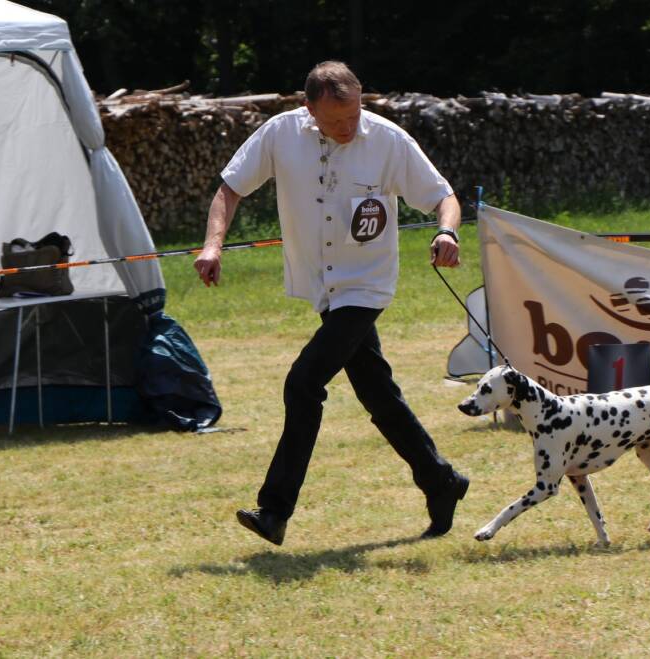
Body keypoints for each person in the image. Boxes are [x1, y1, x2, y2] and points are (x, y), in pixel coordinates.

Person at [194, 60, 469, 546]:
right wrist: (213, 245)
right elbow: (230, 189)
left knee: (303, 383)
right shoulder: (280, 134)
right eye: (337, 121)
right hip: (323, 287)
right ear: (309, 110)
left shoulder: (387, 140)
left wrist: (446, 230)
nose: (350, 127)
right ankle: (440, 480)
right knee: (377, 393)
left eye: (355, 114)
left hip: (366, 286)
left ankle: (275, 510)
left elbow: (443, 196)